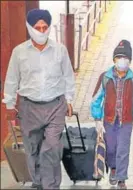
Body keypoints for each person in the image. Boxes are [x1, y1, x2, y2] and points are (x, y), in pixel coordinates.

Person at [2, 9, 75, 189]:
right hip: (29, 107)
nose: (41, 31)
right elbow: (12, 78)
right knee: (32, 149)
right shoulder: (19, 52)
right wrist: (10, 104)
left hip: (55, 106)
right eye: (37, 27)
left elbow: (68, 76)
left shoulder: (60, 50)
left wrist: (69, 99)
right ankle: (39, 182)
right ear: (29, 28)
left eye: (45, 27)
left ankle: (50, 185)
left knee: (50, 147)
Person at [90, 40, 133, 189]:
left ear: (129, 61)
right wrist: (97, 119)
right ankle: (113, 168)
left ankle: (121, 178)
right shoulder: (105, 77)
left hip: (126, 121)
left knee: (123, 149)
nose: (121, 61)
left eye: (125, 58)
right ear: (114, 60)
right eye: (118, 57)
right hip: (109, 120)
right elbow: (96, 99)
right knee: (111, 148)